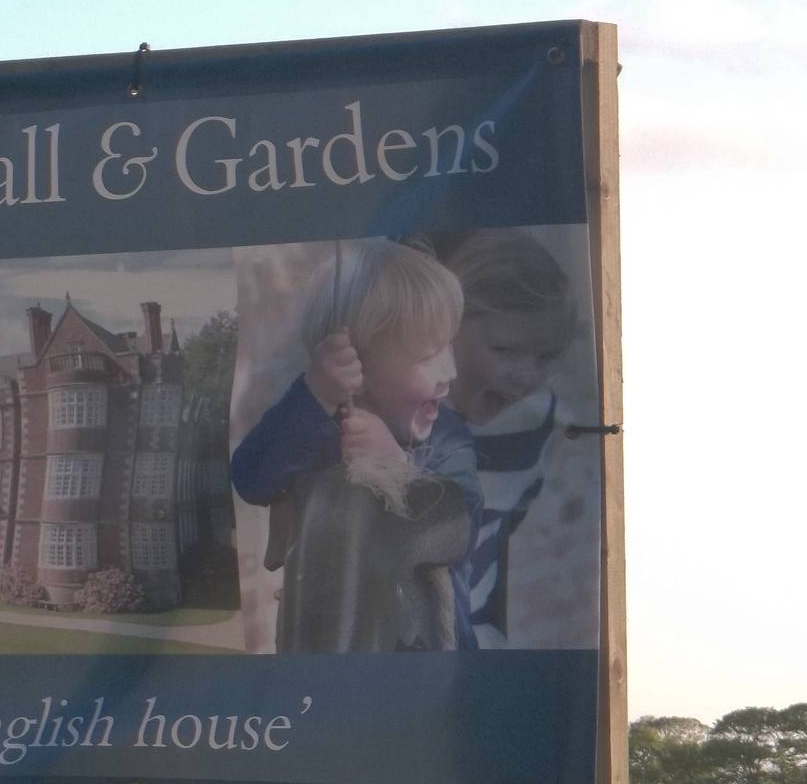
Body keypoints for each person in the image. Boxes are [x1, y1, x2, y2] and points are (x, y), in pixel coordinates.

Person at [232, 240, 481, 652]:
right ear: (357, 367)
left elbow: (462, 527)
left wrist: (396, 466)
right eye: (429, 355)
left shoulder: (446, 435)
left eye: (449, 347)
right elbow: (251, 477)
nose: (449, 372)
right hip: (324, 644)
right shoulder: (313, 427)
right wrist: (313, 394)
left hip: (426, 654)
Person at [430, 229, 576, 648]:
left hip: (477, 634)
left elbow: (507, 534)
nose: (524, 375)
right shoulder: (405, 412)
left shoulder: (541, 420)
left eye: (544, 357)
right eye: (506, 351)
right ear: (446, 328)